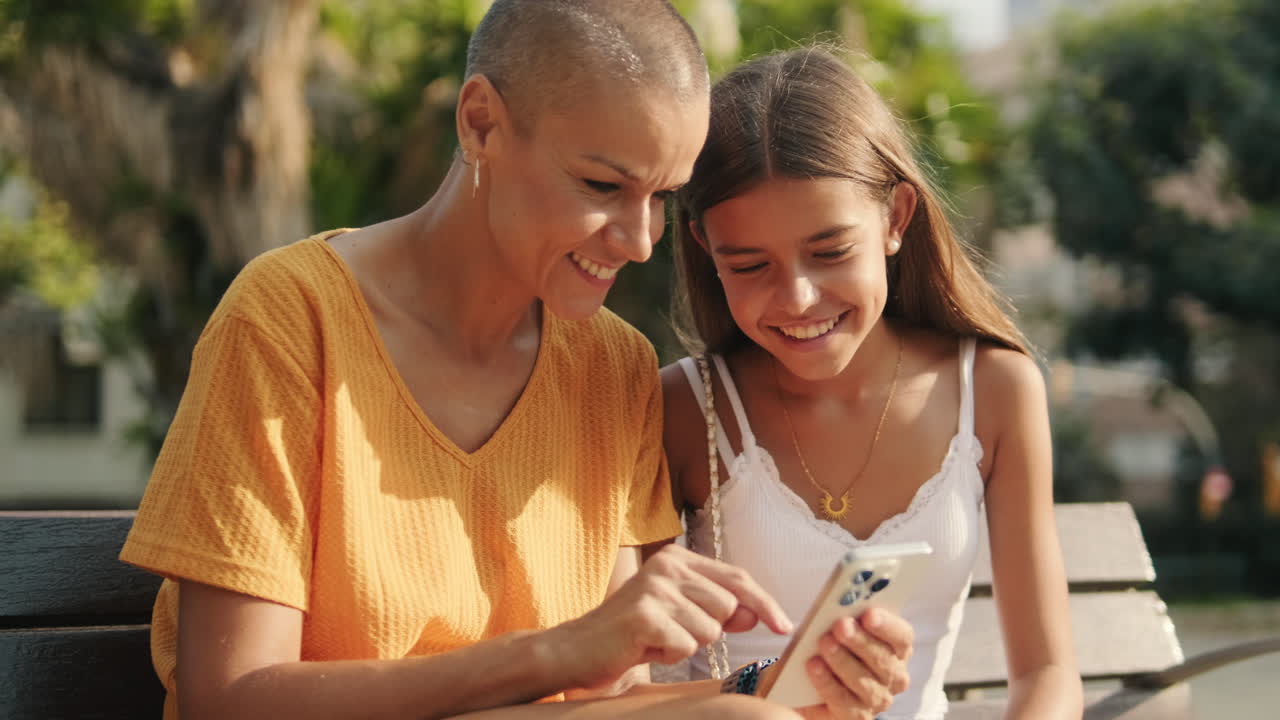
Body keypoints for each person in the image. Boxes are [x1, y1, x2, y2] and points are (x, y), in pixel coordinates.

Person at [118, 4, 912, 719]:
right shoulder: (290, 319)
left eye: (663, 197)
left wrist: (777, 684)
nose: (640, 241)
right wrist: (557, 650)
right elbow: (231, 698)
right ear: (481, 124)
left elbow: (608, 701)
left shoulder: (612, 366)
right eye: (602, 184)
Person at [662, 46, 1084, 720]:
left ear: (896, 218)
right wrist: (762, 689)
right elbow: (625, 698)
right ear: (706, 249)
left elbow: (1047, 672)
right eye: (750, 266)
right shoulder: (685, 410)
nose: (798, 297)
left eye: (830, 252)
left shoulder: (994, 389)